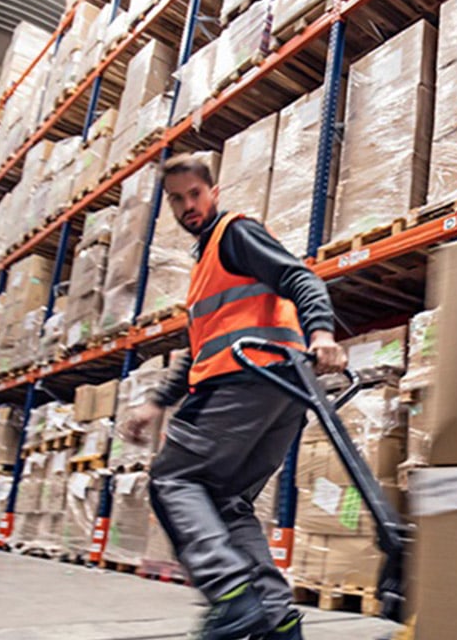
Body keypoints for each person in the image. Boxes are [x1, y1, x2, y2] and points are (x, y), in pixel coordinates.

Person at [122, 152, 347, 640]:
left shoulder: (234, 234)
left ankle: (229, 596)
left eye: (195, 195)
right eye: (177, 200)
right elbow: (198, 350)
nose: (188, 206)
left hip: (244, 382)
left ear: (214, 192)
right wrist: (157, 401)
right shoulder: (205, 265)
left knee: (171, 479)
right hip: (282, 394)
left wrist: (322, 332)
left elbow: (299, 276)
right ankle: (276, 617)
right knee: (226, 503)